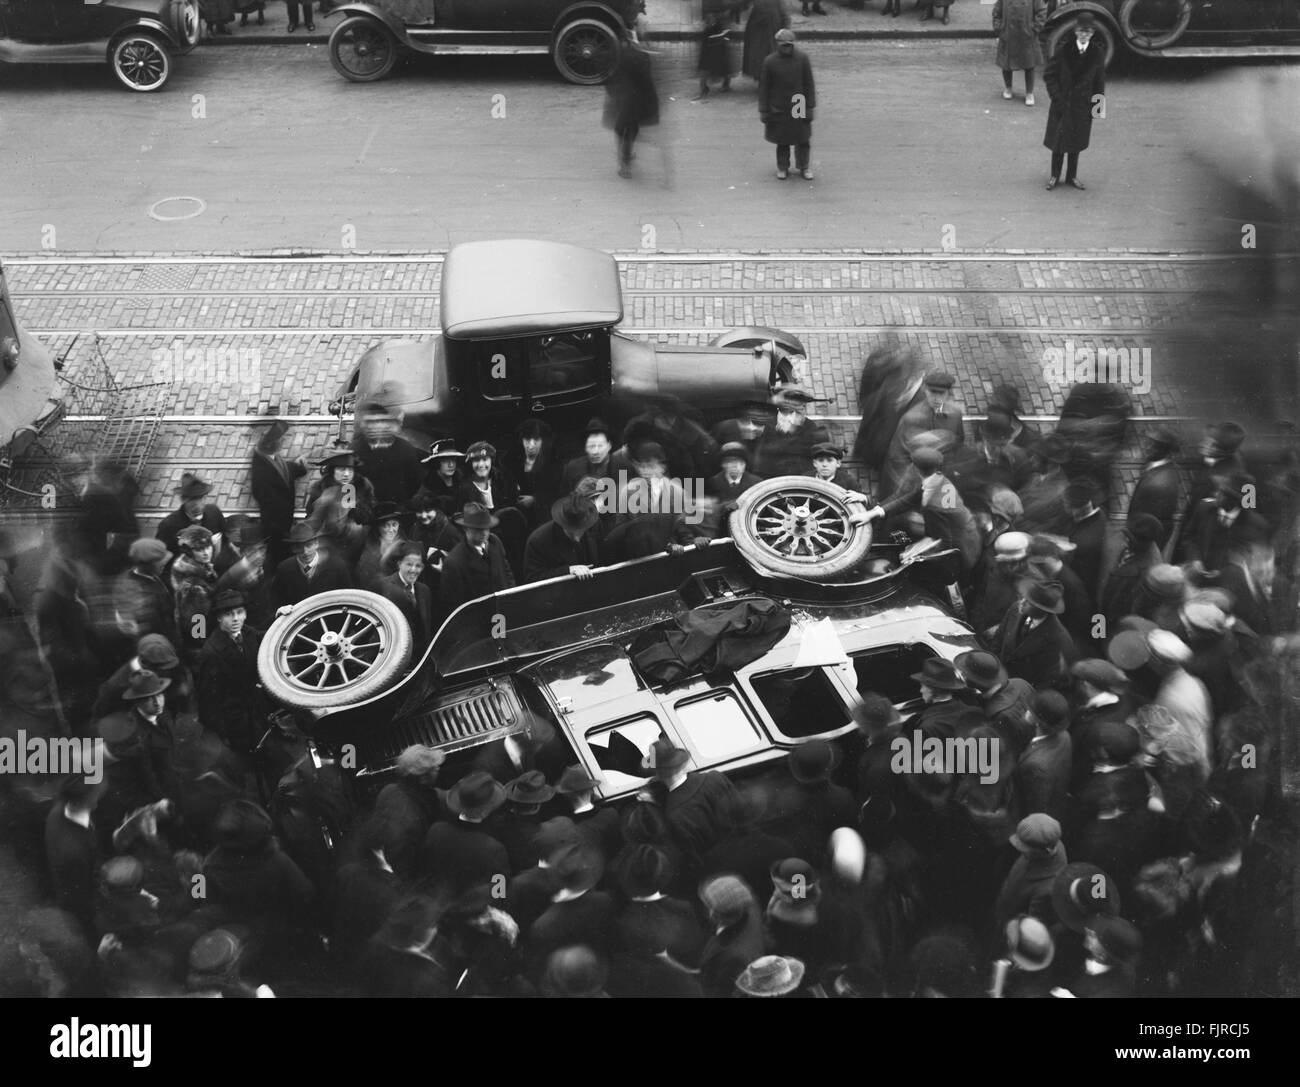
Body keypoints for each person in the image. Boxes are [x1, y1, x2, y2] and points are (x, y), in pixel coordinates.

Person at [196, 590, 269, 759]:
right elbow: (208, 700)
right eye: (228, 614)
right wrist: (222, 733)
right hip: (235, 720)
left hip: (256, 709)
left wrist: (282, 618)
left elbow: (265, 637)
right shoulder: (211, 653)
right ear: (219, 618)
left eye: (239, 612)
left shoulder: (247, 633)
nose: (236, 618)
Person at [1042, 11, 1106, 191]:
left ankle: (1072, 176)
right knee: (1058, 142)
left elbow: (1099, 82)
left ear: (1092, 33)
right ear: (1075, 32)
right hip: (1062, 104)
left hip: (1082, 106)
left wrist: (1097, 110)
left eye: (1088, 31)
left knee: (1076, 142)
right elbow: (1049, 75)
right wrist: (1056, 98)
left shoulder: (1097, 53)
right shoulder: (1064, 50)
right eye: (1081, 31)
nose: (1084, 34)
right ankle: (1055, 175)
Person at [438, 503, 517, 613]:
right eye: (478, 529)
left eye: (487, 528)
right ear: (466, 529)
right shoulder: (454, 562)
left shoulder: (495, 542)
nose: (484, 533)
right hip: (478, 621)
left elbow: (507, 573)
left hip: (504, 610)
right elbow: (454, 605)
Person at [759, 29, 816, 181]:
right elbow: (764, 88)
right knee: (782, 140)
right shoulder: (769, 62)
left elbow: (809, 84)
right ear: (777, 44)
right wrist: (764, 111)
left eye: (789, 45)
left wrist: (810, 107)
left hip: (799, 104)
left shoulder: (802, 59)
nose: (786, 48)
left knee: (802, 139)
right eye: (783, 45)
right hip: (779, 106)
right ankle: (782, 167)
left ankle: (804, 167)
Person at [249, 420, 307, 569]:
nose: (283, 441)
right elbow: (273, 483)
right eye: (280, 439)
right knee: (279, 558)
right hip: (275, 526)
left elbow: (284, 471)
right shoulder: (261, 470)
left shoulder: (272, 459)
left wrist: (299, 467)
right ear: (271, 444)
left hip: (283, 522)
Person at [604, 31, 660, 179]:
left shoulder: (618, 56)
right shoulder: (643, 57)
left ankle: (624, 163)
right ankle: (626, 158)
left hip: (624, 99)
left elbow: (610, 78)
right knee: (631, 129)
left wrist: (613, 94)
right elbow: (648, 82)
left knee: (621, 129)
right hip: (636, 101)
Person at [350, 399, 424, 509]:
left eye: (380, 421)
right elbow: (346, 484)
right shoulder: (353, 451)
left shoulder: (405, 449)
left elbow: (415, 482)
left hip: (397, 510)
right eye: (370, 422)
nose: (375, 426)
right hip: (366, 512)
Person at [524, 493, 602, 583]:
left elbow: (603, 559)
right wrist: (568, 570)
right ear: (562, 524)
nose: (576, 538)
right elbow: (533, 578)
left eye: (580, 530)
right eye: (571, 531)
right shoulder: (538, 540)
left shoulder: (595, 525)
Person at [270, 523, 353, 607]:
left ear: (316, 544)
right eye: (299, 547)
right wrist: (282, 609)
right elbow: (277, 602)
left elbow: (348, 598)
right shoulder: (284, 569)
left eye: (309, 545)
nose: (305, 552)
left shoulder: (337, 566)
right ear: (293, 548)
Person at [378, 541, 435, 645]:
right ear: (399, 564)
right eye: (409, 564)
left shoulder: (424, 591)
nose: (413, 570)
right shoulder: (385, 587)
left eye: (418, 566)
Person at [156, 472, 226, 557]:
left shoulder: (214, 512)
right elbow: (161, 558)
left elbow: (227, 541)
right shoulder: (168, 525)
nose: (197, 504)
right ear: (183, 500)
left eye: (200, 498)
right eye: (192, 499)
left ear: (205, 497)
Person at [993, 0, 1045, 105]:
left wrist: (1034, 28)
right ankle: (1008, 87)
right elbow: (997, 11)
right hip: (1008, 34)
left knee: (1029, 64)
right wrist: (999, 28)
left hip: (1026, 35)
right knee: (1006, 63)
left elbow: (1041, 12)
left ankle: (1029, 93)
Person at [742, 0, 788, 81]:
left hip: (770, 23)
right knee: (760, 52)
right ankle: (762, 77)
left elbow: (782, 12)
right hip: (760, 25)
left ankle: (768, 77)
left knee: (768, 51)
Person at [696, 9, 733, 98]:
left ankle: (725, 84)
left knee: (722, 65)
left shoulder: (719, 24)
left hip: (717, 46)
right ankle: (703, 88)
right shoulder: (709, 28)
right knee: (705, 67)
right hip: (710, 48)